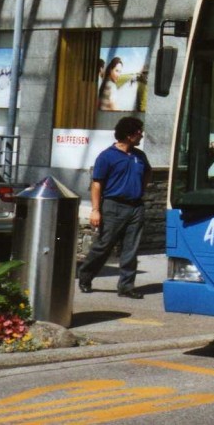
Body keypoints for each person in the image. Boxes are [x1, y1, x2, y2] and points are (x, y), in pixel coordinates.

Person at [77, 116, 151, 299]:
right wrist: (95, 210)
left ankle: (126, 287)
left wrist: (140, 189)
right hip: (113, 206)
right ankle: (85, 276)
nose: (141, 135)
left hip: (135, 207)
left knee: (131, 248)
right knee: (104, 245)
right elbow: (97, 184)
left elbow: (148, 173)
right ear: (129, 135)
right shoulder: (107, 156)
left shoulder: (139, 156)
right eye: (138, 132)